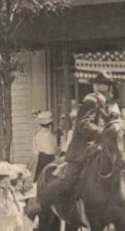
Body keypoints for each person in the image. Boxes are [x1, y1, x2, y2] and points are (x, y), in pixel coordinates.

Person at [28, 91, 112, 219]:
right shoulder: (92, 101)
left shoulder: (104, 103)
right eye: (104, 84)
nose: (109, 89)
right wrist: (103, 133)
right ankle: (42, 202)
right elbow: (83, 125)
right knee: (69, 179)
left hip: (99, 151)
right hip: (83, 152)